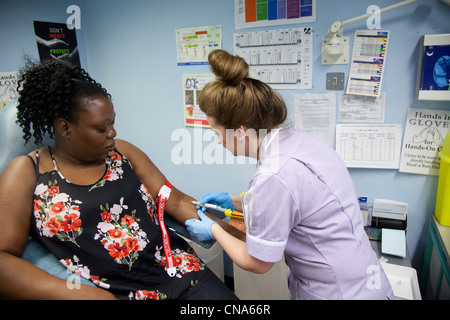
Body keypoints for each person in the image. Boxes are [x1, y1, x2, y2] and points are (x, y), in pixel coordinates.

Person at [0, 58, 241, 300]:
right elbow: (3, 259)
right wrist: (79, 294)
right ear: (65, 128)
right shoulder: (27, 172)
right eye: (101, 128)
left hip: (178, 268)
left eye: (112, 123)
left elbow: (174, 200)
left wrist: (240, 238)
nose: (112, 133)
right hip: (115, 291)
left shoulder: (122, 153)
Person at [185, 49, 394, 300]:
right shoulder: (302, 142)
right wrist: (234, 199)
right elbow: (298, 201)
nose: (217, 142)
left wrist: (214, 228)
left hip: (336, 291)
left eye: (217, 133)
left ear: (240, 133)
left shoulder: (274, 174)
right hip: (366, 278)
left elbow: (259, 263)